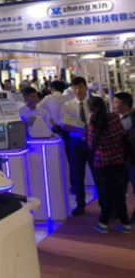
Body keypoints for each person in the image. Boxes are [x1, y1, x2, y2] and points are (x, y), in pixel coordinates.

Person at [87, 97, 131, 233]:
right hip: (118, 159)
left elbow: (91, 144)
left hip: (103, 161)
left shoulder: (94, 122)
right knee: (119, 192)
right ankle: (124, 222)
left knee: (106, 192)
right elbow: (121, 134)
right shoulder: (114, 117)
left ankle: (103, 222)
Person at [61, 76, 95, 216]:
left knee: (98, 173)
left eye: (80, 87)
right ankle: (80, 203)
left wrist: (90, 131)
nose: (77, 90)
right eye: (74, 88)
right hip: (76, 142)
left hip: (93, 141)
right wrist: (81, 131)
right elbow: (64, 125)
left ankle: (105, 205)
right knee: (77, 174)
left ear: (85, 87)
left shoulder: (94, 103)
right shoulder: (67, 105)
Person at [113, 92, 135, 221]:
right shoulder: (114, 118)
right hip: (119, 158)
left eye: (116, 102)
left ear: (126, 105)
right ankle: (120, 213)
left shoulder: (133, 117)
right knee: (120, 186)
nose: (114, 105)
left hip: (132, 157)